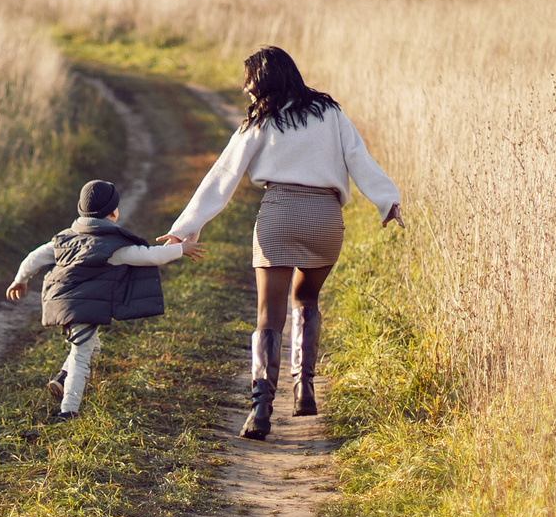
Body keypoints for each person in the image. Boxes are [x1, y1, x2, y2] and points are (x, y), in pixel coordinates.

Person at [159, 46, 401, 439]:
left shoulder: (262, 119)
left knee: (269, 317)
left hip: (279, 214)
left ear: (265, 79)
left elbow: (224, 174)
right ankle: (303, 388)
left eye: (249, 81)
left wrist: (186, 226)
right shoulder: (330, 112)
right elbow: (359, 158)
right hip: (325, 219)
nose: (245, 90)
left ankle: (260, 411)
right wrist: (387, 200)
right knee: (306, 300)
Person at [6, 178, 199, 422]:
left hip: (60, 302)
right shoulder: (113, 247)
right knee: (82, 355)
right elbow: (152, 256)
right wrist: (182, 249)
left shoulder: (65, 238)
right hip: (84, 307)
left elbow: (35, 257)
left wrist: (20, 279)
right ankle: (69, 410)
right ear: (113, 212)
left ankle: (63, 379)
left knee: (90, 346)